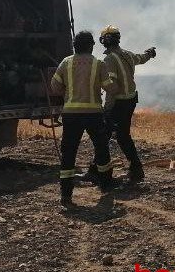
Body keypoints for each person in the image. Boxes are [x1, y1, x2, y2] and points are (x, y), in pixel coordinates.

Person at [50, 30, 115, 206]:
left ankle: (66, 194)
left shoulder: (66, 62)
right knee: (101, 148)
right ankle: (106, 185)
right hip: (93, 114)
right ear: (91, 46)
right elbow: (110, 88)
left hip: (71, 114)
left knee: (69, 153)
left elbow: (54, 86)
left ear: (75, 46)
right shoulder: (98, 64)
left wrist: (69, 94)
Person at [97, 24, 156, 184]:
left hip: (118, 104)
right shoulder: (127, 55)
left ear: (104, 41)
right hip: (130, 101)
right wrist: (149, 53)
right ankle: (136, 169)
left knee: (103, 137)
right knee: (123, 136)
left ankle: (99, 172)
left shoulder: (109, 59)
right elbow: (141, 58)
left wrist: (106, 109)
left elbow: (112, 88)